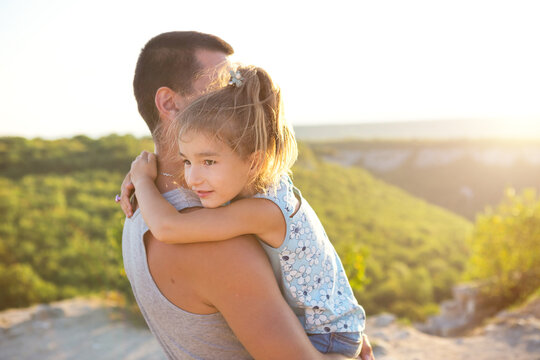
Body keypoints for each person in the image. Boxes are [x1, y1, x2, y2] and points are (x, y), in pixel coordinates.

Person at [120, 31, 375, 359]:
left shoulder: (149, 201)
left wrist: (142, 178)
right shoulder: (215, 240)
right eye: (219, 90)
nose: (234, 102)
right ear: (170, 103)